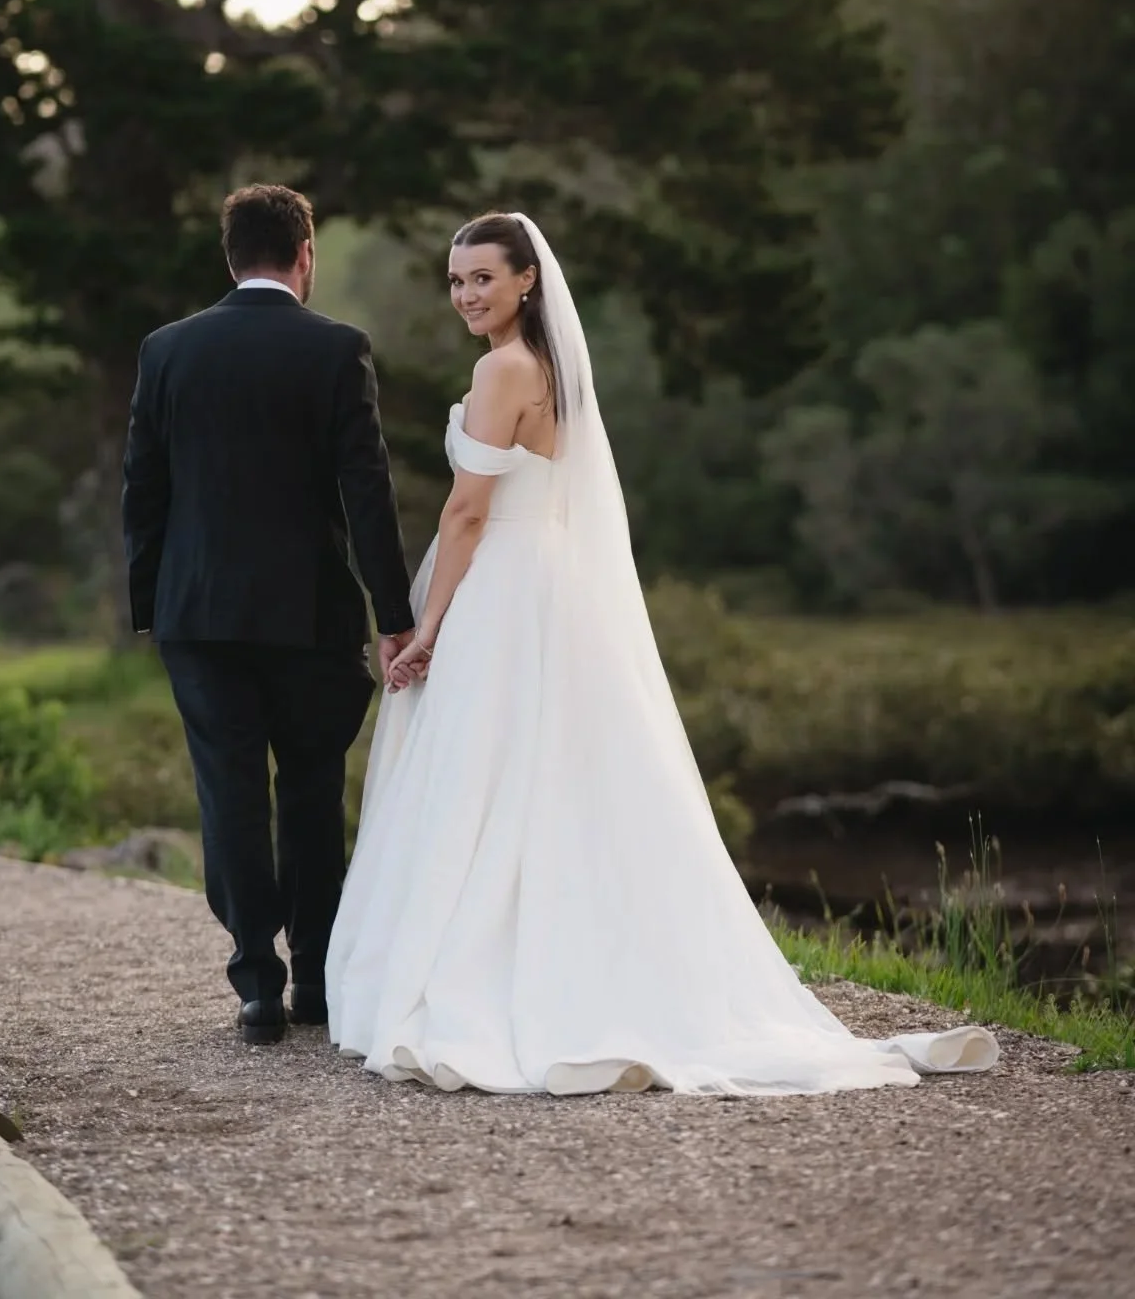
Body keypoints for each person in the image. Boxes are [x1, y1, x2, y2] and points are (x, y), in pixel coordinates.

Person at [326, 211, 1000, 1096]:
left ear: (527, 279)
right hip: (553, 590)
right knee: (554, 777)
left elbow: (466, 513)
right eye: (455, 281)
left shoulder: (503, 368)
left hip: (500, 589)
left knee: (484, 775)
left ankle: (488, 970)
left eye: (482, 277)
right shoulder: (557, 370)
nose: (465, 295)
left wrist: (428, 627)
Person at [122, 184, 414, 1045]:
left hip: (199, 617)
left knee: (230, 795)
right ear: (305, 255)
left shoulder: (167, 350)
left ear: (229, 256)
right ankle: (317, 981)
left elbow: (144, 489)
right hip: (312, 617)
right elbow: (368, 493)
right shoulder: (337, 350)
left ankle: (256, 980)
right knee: (314, 795)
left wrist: (150, 604)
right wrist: (393, 612)